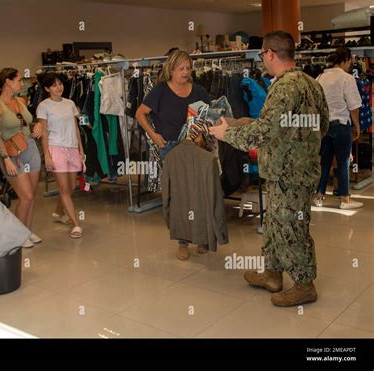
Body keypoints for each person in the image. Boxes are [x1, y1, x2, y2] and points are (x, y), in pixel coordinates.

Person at [210, 31, 329, 307]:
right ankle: (273, 275)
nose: (261, 59)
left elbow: (264, 132)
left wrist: (225, 135)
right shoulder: (311, 84)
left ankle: (304, 285)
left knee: (291, 227)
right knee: (275, 225)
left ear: (271, 54)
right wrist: (238, 123)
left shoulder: (285, 86)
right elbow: (320, 126)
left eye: (262, 54)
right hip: (294, 169)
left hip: (288, 173)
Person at [135, 50, 210, 260]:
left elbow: (210, 116)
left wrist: (203, 134)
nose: (185, 72)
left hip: (196, 147)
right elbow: (139, 114)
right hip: (171, 148)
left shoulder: (199, 91)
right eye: (181, 69)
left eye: (188, 68)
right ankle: (182, 241)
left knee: (200, 193)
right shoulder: (160, 90)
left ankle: (202, 237)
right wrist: (154, 135)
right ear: (171, 70)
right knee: (179, 196)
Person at [0, 68, 44, 248]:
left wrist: (37, 127)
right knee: (25, 197)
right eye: (20, 80)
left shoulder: (21, 100)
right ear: (8, 82)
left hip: (31, 149)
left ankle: (27, 231)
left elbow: (27, 123)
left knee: (31, 196)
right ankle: (17, 235)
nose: (23, 84)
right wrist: (6, 159)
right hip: (12, 154)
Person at [313, 46, 363, 210]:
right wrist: (357, 126)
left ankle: (319, 196)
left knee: (325, 162)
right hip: (341, 126)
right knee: (343, 162)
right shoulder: (347, 79)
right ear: (346, 60)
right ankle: (345, 200)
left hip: (324, 126)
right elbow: (353, 106)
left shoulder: (319, 77)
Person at [37, 73, 84, 239]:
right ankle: (76, 224)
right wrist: (47, 156)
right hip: (55, 148)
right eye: (54, 85)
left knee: (71, 188)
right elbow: (43, 132)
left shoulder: (70, 103)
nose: (59, 87)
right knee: (64, 189)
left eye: (60, 84)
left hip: (72, 148)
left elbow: (76, 127)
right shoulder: (44, 106)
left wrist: (81, 149)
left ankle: (58, 212)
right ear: (47, 88)